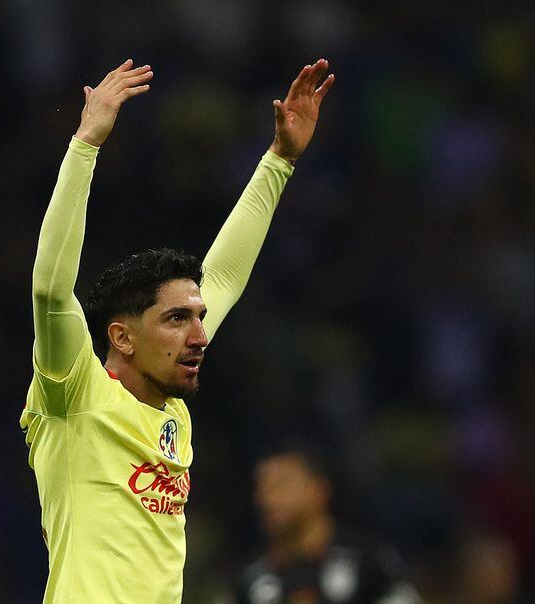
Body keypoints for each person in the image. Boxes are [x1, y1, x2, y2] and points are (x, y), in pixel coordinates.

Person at [20, 57, 334, 603]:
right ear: (121, 337)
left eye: (198, 317)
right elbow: (50, 290)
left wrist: (279, 160)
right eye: (176, 319)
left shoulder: (174, 414)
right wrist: (86, 144)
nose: (200, 334)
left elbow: (227, 276)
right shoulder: (73, 392)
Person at [237, 446, 421, 604]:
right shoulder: (250, 577)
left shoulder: (367, 562)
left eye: (281, 486)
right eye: (262, 488)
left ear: (319, 491)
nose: (268, 499)